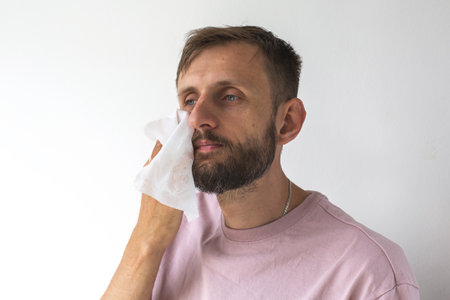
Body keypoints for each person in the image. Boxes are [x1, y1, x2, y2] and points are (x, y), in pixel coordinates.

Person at [102, 26, 419, 299]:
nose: (198, 118)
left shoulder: (365, 271)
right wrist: (146, 241)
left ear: (287, 122)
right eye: (190, 100)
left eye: (229, 96)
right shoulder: (171, 226)